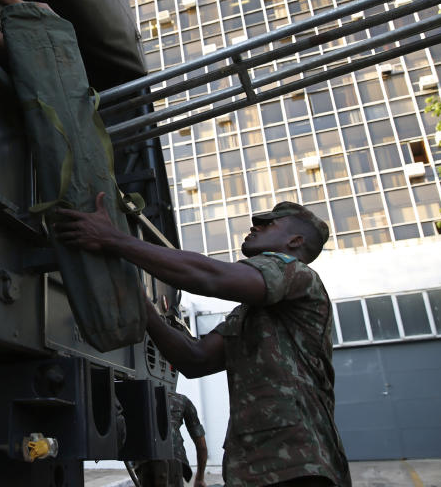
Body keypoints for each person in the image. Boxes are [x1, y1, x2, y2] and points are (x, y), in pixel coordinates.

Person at [53, 197, 351, 487]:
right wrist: (143, 305)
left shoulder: (299, 275)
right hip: (257, 469)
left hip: (299, 468)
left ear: (295, 242)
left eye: (268, 223)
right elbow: (194, 359)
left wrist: (113, 239)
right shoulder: (253, 314)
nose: (255, 225)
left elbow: (209, 276)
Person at [133, 390, 209, 487]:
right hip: (174, 460)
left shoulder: (137, 396)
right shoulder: (181, 400)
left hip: (145, 461)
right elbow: (201, 445)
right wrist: (199, 478)